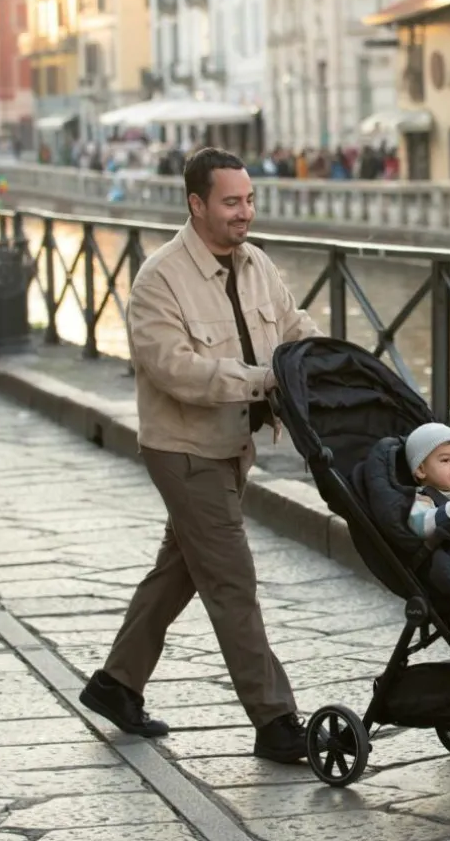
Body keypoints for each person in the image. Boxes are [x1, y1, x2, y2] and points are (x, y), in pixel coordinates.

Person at [79, 147, 323, 764]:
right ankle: (275, 721)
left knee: (181, 569)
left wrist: (333, 362)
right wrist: (262, 380)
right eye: (232, 202)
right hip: (184, 450)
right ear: (196, 204)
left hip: (235, 445)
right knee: (231, 580)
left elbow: (293, 327)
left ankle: (115, 684)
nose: (246, 212)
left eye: (249, 200)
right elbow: (174, 370)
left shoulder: (257, 263)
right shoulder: (159, 279)